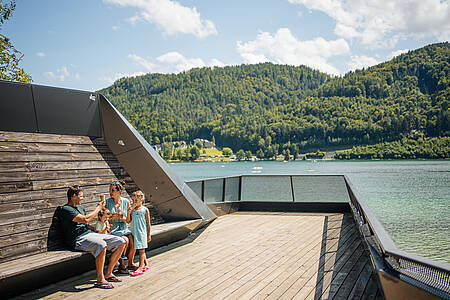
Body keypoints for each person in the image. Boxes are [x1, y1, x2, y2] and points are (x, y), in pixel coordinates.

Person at [58, 186, 126, 289]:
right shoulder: (66, 209)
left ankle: (109, 273)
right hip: (77, 239)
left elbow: (85, 224)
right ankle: (100, 279)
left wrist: (96, 230)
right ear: (74, 196)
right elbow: (85, 220)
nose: (82, 198)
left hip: (89, 234)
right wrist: (98, 208)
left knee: (121, 241)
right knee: (101, 244)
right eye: (81, 196)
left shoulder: (80, 207)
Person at [105, 180, 137, 273]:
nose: (110, 193)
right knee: (125, 241)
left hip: (123, 227)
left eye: (113, 190)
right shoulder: (107, 202)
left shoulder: (126, 201)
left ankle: (130, 263)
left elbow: (128, 220)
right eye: (110, 190)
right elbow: (102, 218)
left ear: (119, 191)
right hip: (112, 228)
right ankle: (121, 266)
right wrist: (111, 217)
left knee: (133, 241)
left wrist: (122, 217)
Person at [126, 190, 151, 276]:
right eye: (133, 200)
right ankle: (146, 264)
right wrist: (129, 212)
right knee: (137, 247)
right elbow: (128, 221)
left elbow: (148, 223)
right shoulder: (132, 210)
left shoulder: (145, 209)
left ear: (142, 200)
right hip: (133, 231)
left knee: (141, 250)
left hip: (141, 232)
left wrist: (148, 234)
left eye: (136, 200)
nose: (134, 202)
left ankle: (140, 267)